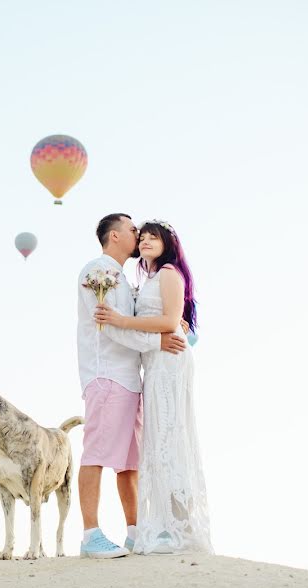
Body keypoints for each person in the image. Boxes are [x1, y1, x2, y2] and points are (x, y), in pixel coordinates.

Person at [95, 219, 213, 555]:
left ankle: (178, 525)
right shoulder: (145, 278)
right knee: (158, 436)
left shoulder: (169, 273)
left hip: (170, 361)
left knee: (170, 435)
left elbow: (169, 320)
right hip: (155, 362)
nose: (145, 240)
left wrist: (121, 320)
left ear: (167, 244)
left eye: (153, 237)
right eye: (142, 236)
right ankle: (163, 522)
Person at [77, 213, 186, 559]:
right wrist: (158, 343)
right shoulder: (99, 271)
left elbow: (135, 317)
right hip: (106, 375)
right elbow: (107, 324)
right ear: (114, 236)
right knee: (97, 452)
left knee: (128, 462)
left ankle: (135, 533)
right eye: (132, 229)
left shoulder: (122, 279)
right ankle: (91, 535)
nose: (138, 235)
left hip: (129, 379)